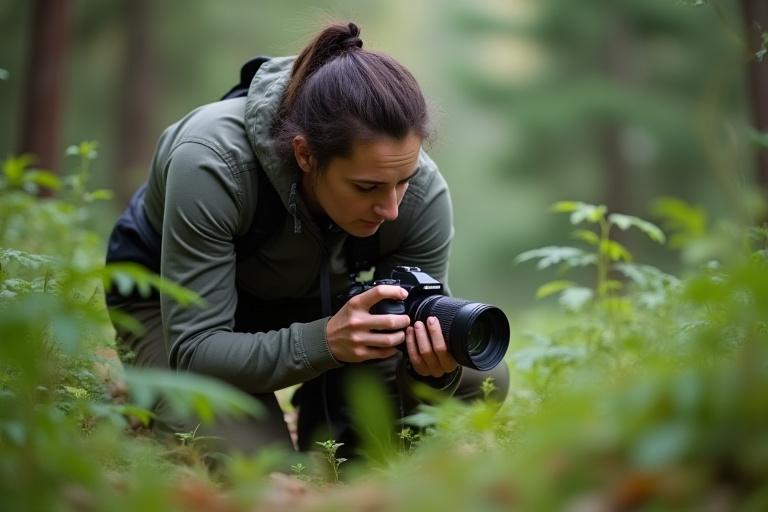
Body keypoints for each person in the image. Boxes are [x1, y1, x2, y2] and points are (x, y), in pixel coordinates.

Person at [106, 22, 509, 457]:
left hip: (323, 306)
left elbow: (417, 331)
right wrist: (325, 343)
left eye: (403, 182)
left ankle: (335, 430)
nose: (391, 208)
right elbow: (197, 349)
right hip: (178, 310)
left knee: (481, 380)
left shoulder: (420, 191)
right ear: (305, 154)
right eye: (367, 188)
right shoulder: (212, 163)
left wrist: (433, 371)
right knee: (260, 467)